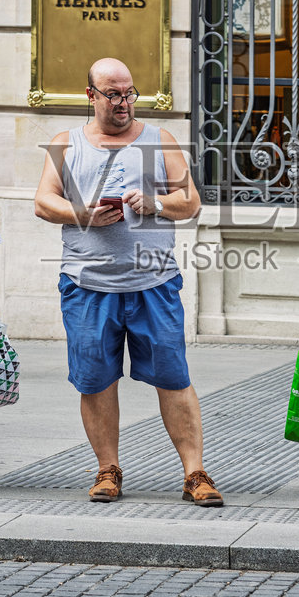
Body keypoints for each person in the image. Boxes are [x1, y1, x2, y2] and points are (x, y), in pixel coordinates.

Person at [32, 57, 223, 507]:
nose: (124, 102)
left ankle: (195, 473)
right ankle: (108, 470)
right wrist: (82, 214)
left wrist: (156, 203)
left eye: (129, 93)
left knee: (174, 378)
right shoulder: (66, 143)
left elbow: (191, 201)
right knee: (96, 381)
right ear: (91, 95)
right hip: (87, 285)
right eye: (114, 94)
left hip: (153, 283)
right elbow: (43, 202)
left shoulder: (160, 139)